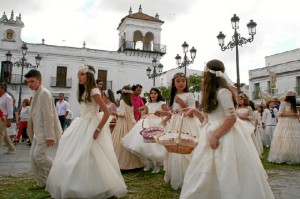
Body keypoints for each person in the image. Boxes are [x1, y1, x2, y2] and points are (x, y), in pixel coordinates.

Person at [180, 59, 274, 199]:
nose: (203, 76)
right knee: (206, 169)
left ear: (210, 74)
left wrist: (216, 136)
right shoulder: (210, 94)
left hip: (224, 134)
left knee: (226, 168)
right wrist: (194, 112)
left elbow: (231, 118)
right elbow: (207, 119)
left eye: (204, 72)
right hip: (211, 131)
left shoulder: (223, 92)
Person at [46, 65, 127, 198]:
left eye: (82, 74)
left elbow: (106, 112)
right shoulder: (84, 90)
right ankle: (75, 184)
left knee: (91, 155)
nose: (79, 77)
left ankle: (96, 186)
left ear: (88, 76)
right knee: (76, 153)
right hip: (81, 122)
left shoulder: (94, 91)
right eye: (78, 75)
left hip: (91, 124)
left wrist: (98, 130)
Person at [155, 72, 201, 190]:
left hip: (186, 124)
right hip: (175, 124)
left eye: (183, 81)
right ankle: (177, 175)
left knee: (186, 147)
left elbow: (192, 113)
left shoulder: (189, 95)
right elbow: (173, 112)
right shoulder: (172, 96)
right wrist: (164, 113)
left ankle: (190, 177)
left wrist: (181, 102)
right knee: (174, 147)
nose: (181, 83)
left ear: (186, 83)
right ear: (174, 84)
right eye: (178, 81)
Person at [25, 69, 62, 189]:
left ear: (39, 81)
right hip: (36, 133)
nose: (29, 84)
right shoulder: (36, 93)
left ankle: (59, 174)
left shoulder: (44, 93)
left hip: (45, 133)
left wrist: (50, 136)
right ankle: (43, 183)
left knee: (38, 156)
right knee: (33, 159)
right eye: (28, 82)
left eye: (32, 81)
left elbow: (49, 116)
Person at [122, 87, 167, 173]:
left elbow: (167, 113)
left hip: (158, 123)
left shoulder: (162, 103)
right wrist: (143, 116)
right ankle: (149, 162)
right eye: (151, 93)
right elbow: (145, 113)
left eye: (155, 93)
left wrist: (162, 119)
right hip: (148, 122)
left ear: (158, 94)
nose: (153, 95)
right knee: (146, 143)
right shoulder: (148, 104)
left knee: (156, 144)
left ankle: (157, 164)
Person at [111, 86, 144, 170]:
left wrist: (115, 113)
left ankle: (122, 162)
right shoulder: (130, 102)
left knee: (120, 140)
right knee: (131, 140)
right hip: (130, 122)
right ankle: (134, 162)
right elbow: (130, 113)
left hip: (123, 123)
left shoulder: (122, 101)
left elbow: (123, 114)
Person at [268, 90, 300, 164]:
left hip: (293, 122)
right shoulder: (283, 103)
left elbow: (294, 114)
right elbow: (279, 113)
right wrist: (292, 114)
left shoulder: (293, 104)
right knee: (285, 137)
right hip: (285, 122)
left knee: (292, 138)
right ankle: (283, 155)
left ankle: (290, 155)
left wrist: (296, 115)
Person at [0, 83, 16, 154]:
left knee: (1, 133)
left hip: (4, 117)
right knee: (4, 133)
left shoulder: (8, 97)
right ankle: (11, 147)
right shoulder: (0, 97)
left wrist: (9, 120)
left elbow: (10, 110)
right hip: (1, 116)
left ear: (3, 89)